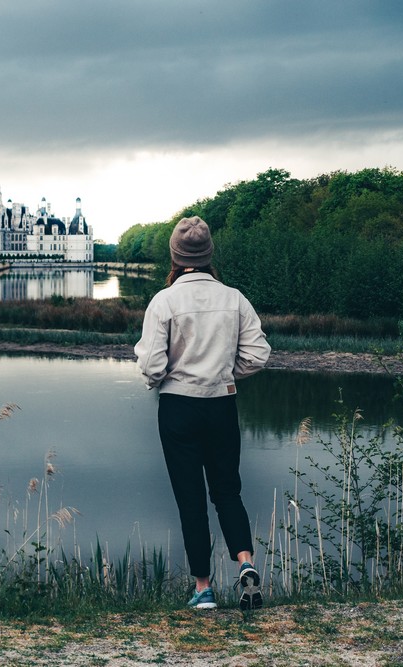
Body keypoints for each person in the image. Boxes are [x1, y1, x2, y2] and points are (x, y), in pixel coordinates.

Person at [134, 216, 271, 610]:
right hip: (222, 404)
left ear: (176, 257)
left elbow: (152, 366)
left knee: (191, 500)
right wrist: (225, 375)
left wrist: (163, 378)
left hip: (179, 407)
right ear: (209, 254)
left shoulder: (164, 301)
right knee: (228, 491)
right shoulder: (235, 298)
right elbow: (259, 355)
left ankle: (203, 590)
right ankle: (245, 563)